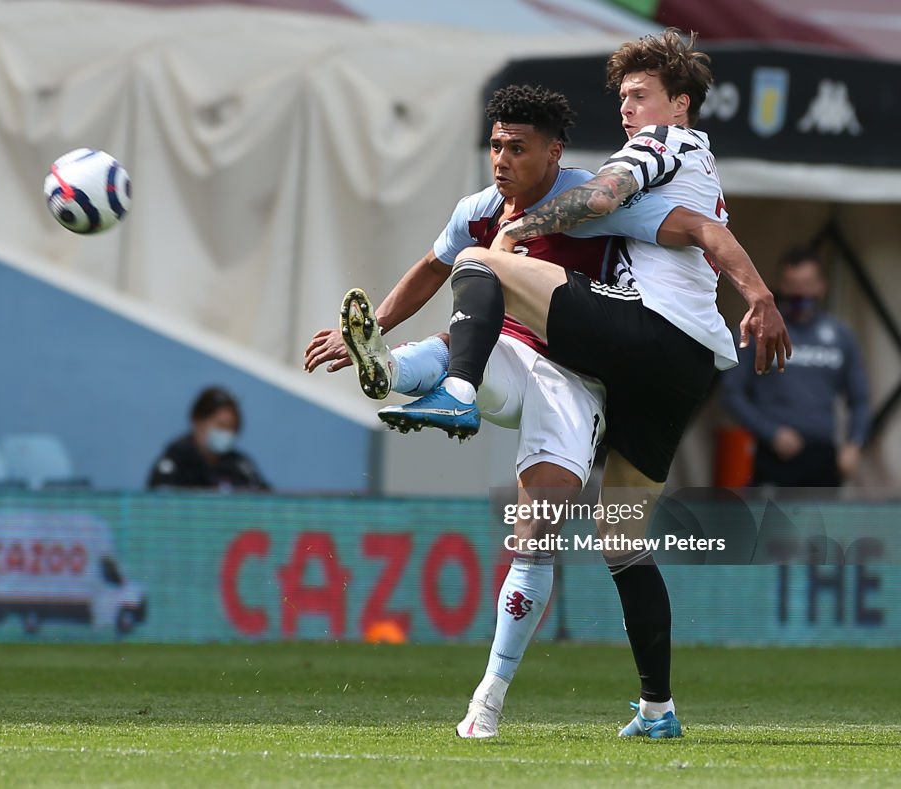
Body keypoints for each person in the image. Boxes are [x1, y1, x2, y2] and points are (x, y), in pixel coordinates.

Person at [305, 78, 773, 739]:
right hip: (514, 360)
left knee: (557, 533)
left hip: (578, 382)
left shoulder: (600, 192)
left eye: (516, 149)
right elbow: (429, 268)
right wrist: (372, 325)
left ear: (553, 154)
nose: (501, 162)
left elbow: (692, 225)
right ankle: (394, 371)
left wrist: (754, 291)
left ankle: (494, 699)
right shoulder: (477, 207)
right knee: (463, 324)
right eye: (495, 147)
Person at [723, 247, 869, 486]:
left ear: (821, 285)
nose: (801, 292)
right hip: (772, 453)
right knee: (769, 522)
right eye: (793, 284)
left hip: (823, 454)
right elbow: (732, 392)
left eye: (807, 283)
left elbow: (860, 398)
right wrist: (770, 431)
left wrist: (854, 445)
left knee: (821, 522)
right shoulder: (758, 331)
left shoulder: (841, 336)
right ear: (780, 286)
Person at [147, 386, 270, 491]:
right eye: (221, 426)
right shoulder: (176, 459)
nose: (227, 433)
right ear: (198, 421)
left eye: (233, 428)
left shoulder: (240, 465)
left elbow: (266, 498)